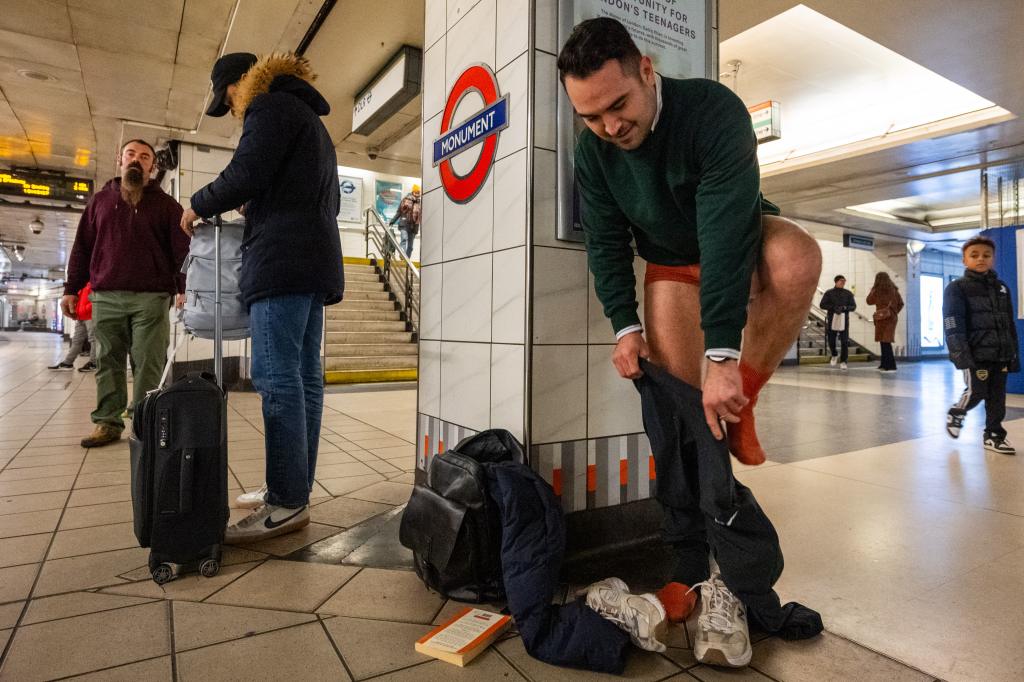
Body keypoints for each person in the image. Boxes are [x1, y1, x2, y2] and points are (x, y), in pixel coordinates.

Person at [558, 18, 822, 667]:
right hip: (669, 262)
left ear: (647, 70)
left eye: (618, 105)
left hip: (736, 234)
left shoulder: (712, 111)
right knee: (683, 419)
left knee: (795, 260)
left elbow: (727, 235)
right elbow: (607, 243)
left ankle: (745, 396)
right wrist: (625, 327)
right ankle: (693, 567)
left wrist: (725, 357)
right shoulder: (593, 150)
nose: (610, 127)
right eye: (592, 116)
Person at [181, 51, 344, 543]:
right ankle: (292, 487)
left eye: (228, 99)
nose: (231, 109)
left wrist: (196, 204)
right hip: (313, 261)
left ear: (239, 86)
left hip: (282, 262)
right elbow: (315, 195)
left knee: (276, 378)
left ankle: (286, 500)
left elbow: (245, 172)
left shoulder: (268, 108)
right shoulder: (310, 120)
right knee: (304, 379)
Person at [63, 140, 188, 448]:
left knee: (149, 361)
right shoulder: (100, 201)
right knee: (108, 360)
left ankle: (144, 422)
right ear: (119, 159)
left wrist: (185, 288)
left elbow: (182, 252)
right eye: (131, 154)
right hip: (106, 295)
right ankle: (107, 422)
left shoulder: (167, 206)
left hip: (152, 297)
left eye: (144, 156)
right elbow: (82, 248)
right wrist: (70, 289)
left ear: (152, 167)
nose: (137, 159)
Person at [943, 236, 1018, 455]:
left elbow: (1009, 323)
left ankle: (994, 435)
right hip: (975, 353)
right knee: (976, 392)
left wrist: (1012, 353)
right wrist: (960, 353)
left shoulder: (1002, 288)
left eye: (986, 255)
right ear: (964, 260)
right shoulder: (957, 288)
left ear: (993, 259)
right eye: (974, 255)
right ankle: (957, 412)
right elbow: (952, 322)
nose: (981, 259)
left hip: (1001, 354)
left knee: (997, 397)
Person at [866, 272, 904, 372]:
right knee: (886, 341)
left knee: (884, 341)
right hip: (891, 318)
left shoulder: (877, 290)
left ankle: (890, 365)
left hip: (881, 318)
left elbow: (869, 301)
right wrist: (894, 313)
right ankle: (884, 364)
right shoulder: (894, 290)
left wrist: (872, 290)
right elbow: (901, 304)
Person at [819, 275, 856, 370]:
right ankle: (834, 354)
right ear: (836, 282)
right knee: (831, 340)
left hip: (844, 320)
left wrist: (844, 308)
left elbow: (853, 306)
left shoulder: (848, 293)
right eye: (841, 281)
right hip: (832, 319)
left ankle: (844, 361)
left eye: (844, 281)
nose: (843, 282)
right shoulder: (829, 293)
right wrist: (833, 307)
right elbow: (822, 305)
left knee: (844, 341)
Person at [389, 185, 421, 258]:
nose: (417, 193)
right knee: (404, 239)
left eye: (418, 192)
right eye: (416, 191)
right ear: (413, 191)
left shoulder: (419, 203)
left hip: (413, 227)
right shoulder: (405, 200)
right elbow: (399, 211)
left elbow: (420, 217)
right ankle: (402, 254)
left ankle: (407, 262)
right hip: (404, 224)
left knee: (410, 247)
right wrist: (393, 221)